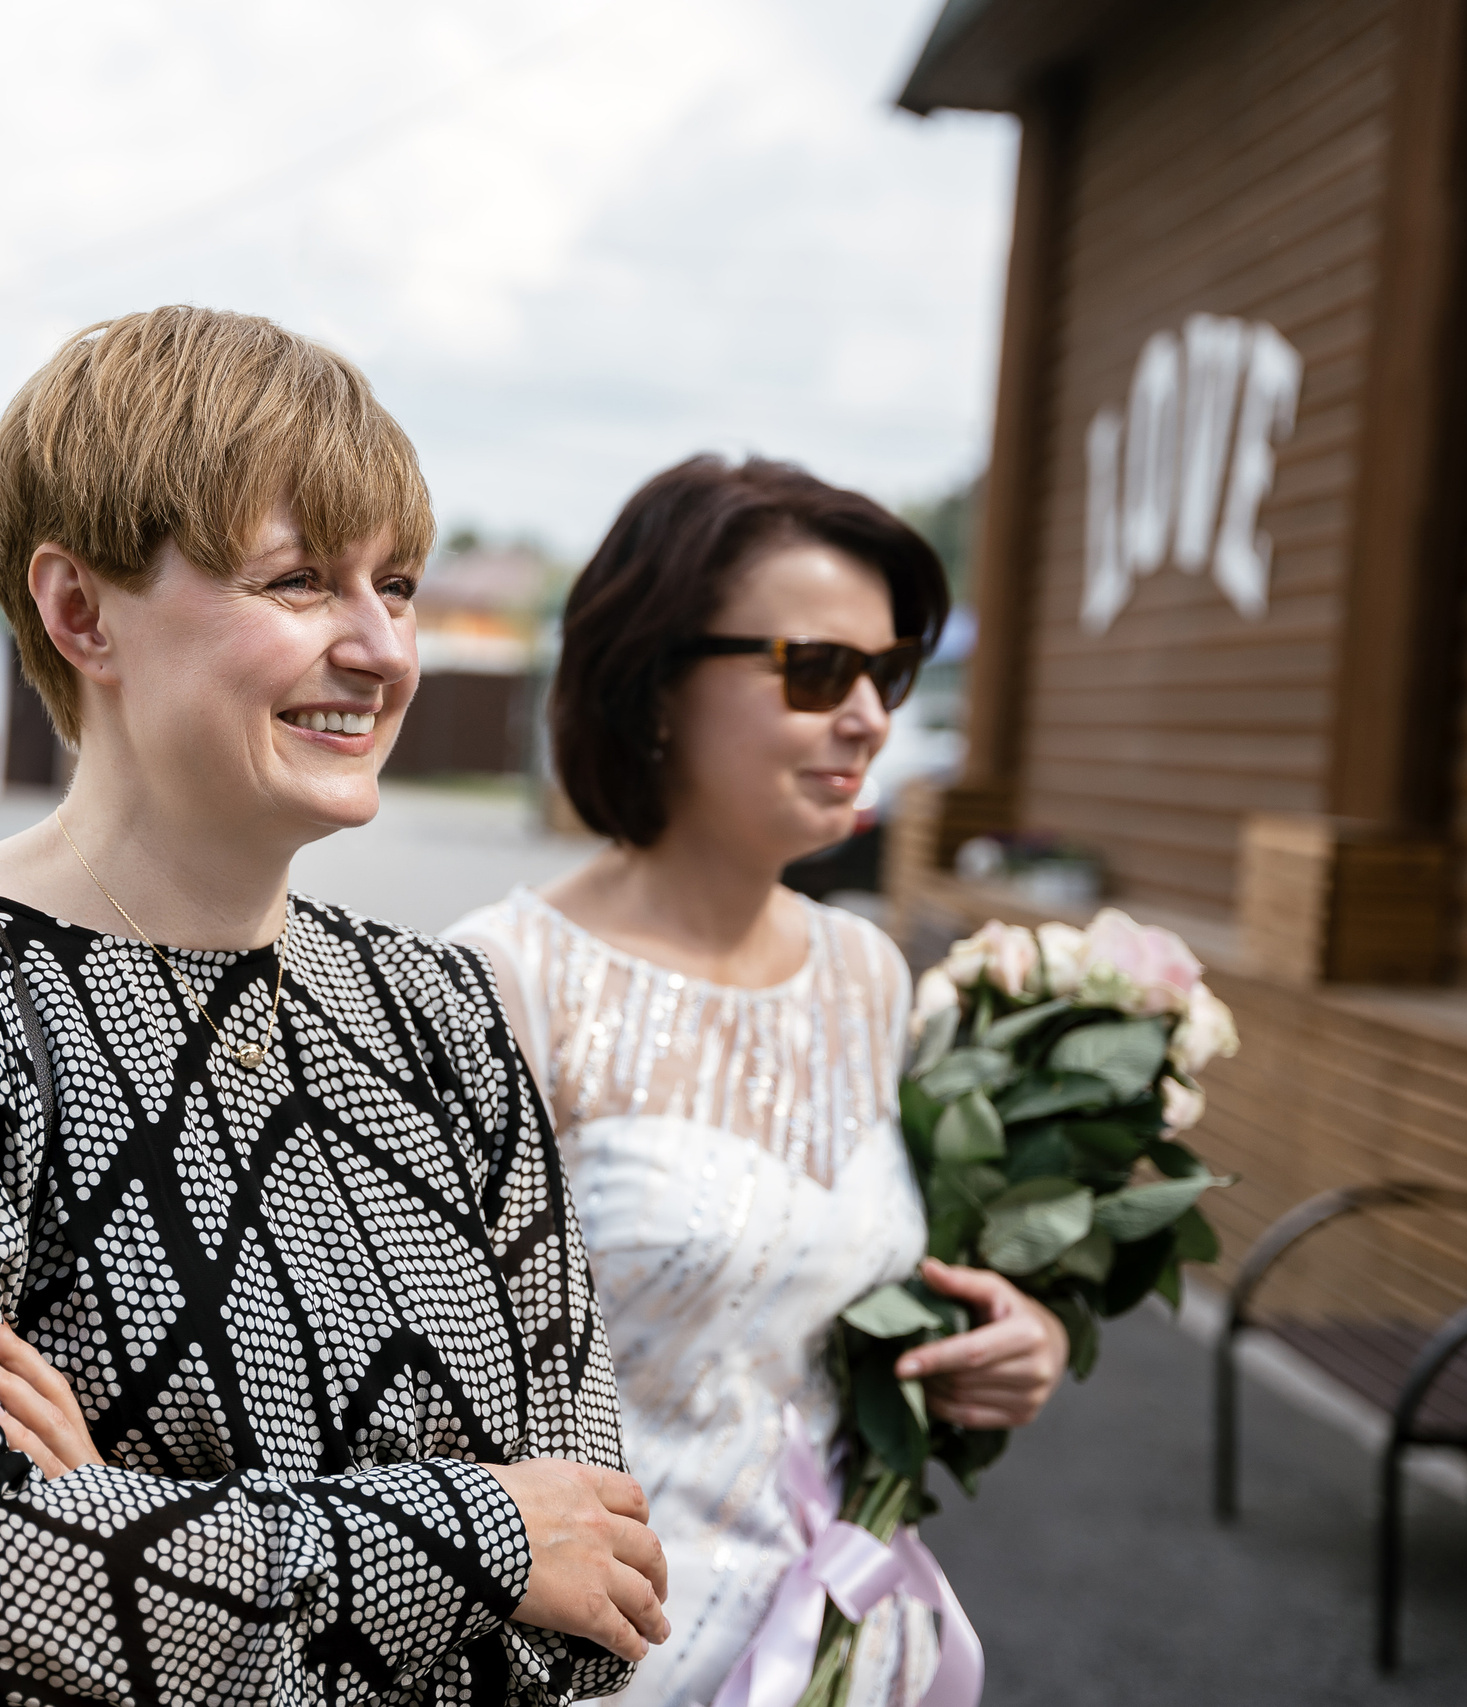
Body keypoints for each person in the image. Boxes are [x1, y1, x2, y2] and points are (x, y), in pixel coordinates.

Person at [0, 306, 666, 1706]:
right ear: (79, 609)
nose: (385, 646)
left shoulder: (441, 1014)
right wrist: (479, 1528)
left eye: (395, 582)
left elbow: (604, 1595)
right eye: (300, 581)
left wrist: (127, 1538)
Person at [446, 456, 1070, 1705]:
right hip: (608, 1659)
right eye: (816, 670)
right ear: (656, 683)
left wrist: (1011, 1344)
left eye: (886, 675)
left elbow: (833, 1304)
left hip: (845, 1641)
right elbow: (423, 1401)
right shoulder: (501, 978)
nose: (870, 719)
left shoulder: (867, 974)